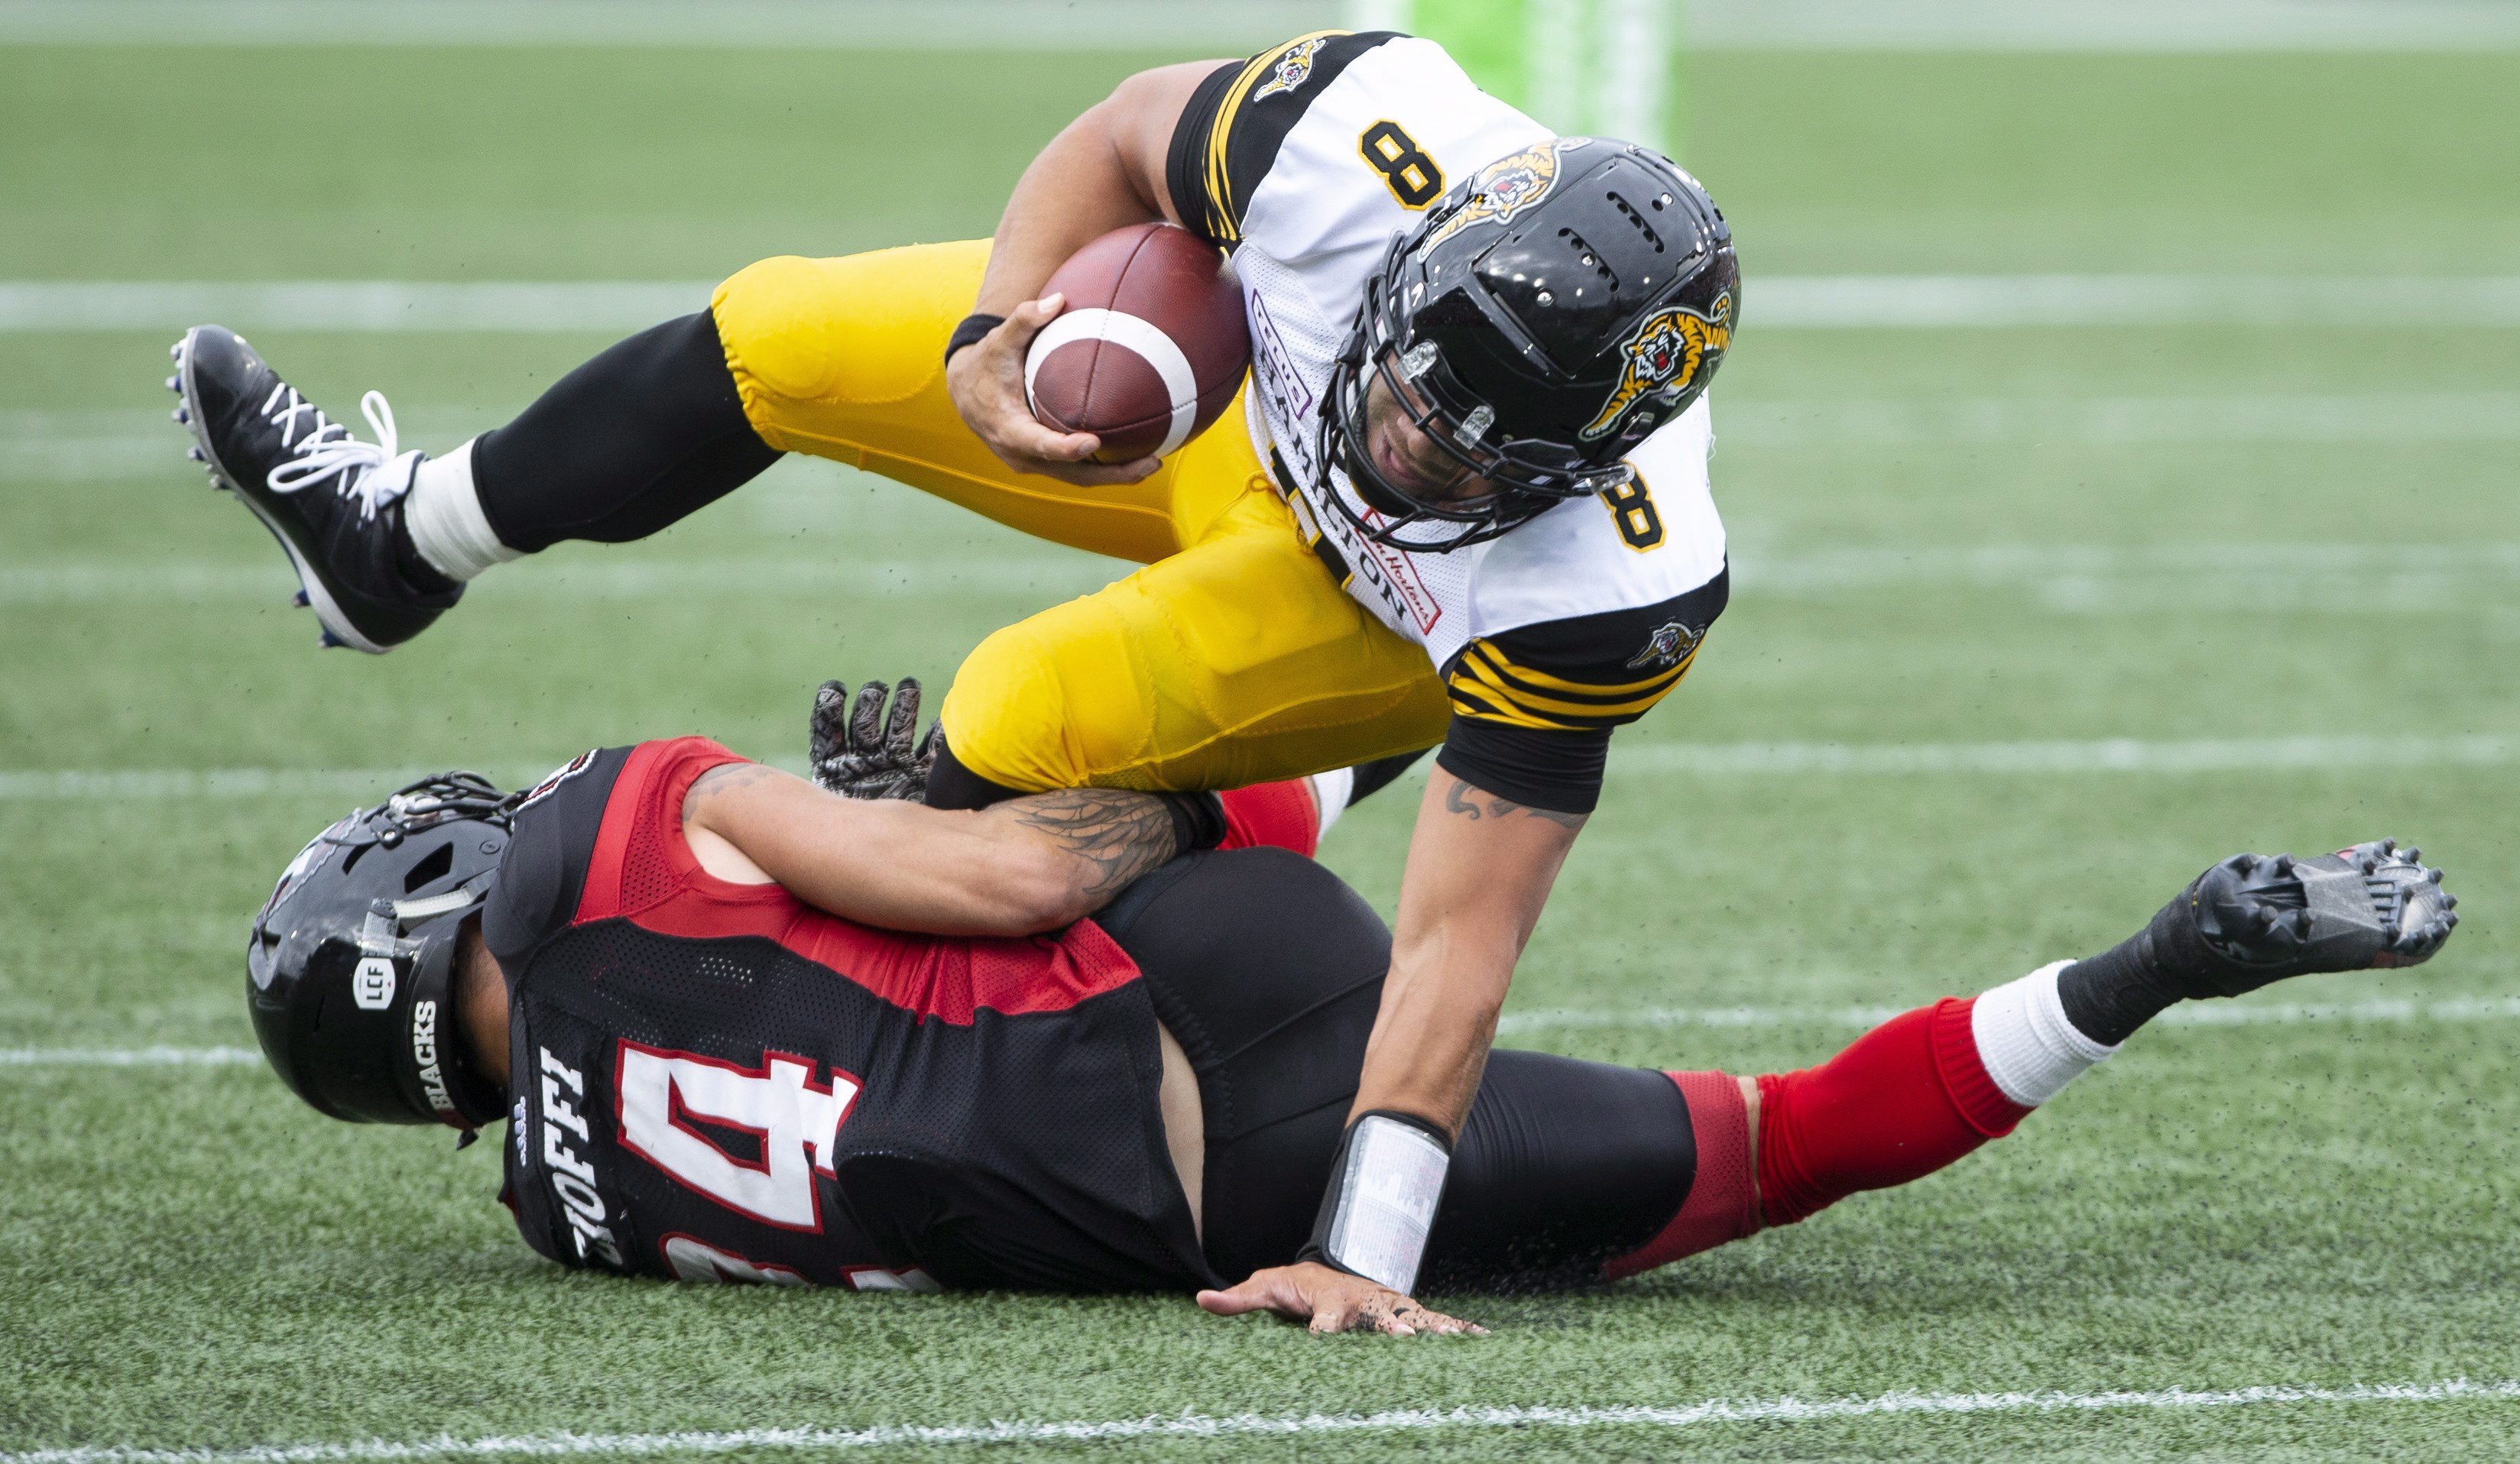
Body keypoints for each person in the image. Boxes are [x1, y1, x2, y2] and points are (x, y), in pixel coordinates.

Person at [247, 711, 2457, 1333]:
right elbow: (1019, 889)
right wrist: (969, 805)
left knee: (1775, 1149)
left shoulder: (568, 1224)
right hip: (1209, 980)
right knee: (1146, 741)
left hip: (1243, 1217)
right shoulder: (597, 830)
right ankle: (1478, 644)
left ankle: (2157, 964)